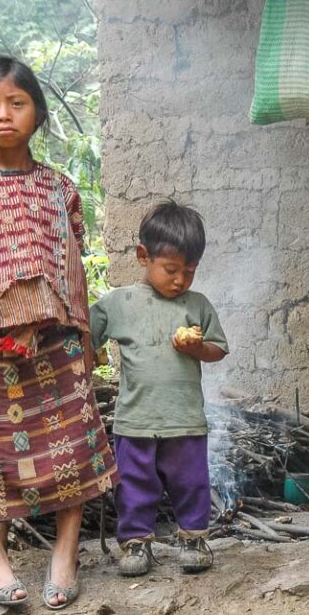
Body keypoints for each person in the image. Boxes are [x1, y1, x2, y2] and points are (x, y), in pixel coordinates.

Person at [0, 55, 119, 609]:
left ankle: (65, 552)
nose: (4, 114)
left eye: (17, 102)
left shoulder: (59, 187)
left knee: (72, 448)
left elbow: (73, 265)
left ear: (37, 113)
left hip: (55, 341)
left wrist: (84, 335)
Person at [90, 202, 229, 577]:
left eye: (190, 271)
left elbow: (217, 349)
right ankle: (137, 543)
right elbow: (87, 333)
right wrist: (89, 352)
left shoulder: (197, 306)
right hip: (135, 419)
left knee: (191, 482)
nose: (181, 280)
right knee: (134, 485)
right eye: (171, 269)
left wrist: (196, 348)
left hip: (184, 419)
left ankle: (193, 538)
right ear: (143, 256)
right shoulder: (120, 303)